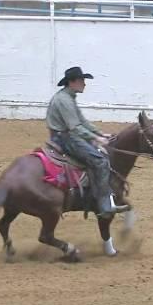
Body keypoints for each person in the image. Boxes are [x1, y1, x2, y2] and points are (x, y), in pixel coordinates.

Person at [46, 67, 129, 218]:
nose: (84, 84)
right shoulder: (64, 100)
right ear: (72, 82)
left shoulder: (68, 97)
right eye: (81, 80)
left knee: (101, 154)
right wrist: (95, 139)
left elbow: (82, 121)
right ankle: (104, 205)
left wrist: (99, 133)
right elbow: (75, 127)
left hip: (65, 135)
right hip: (65, 138)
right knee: (100, 161)